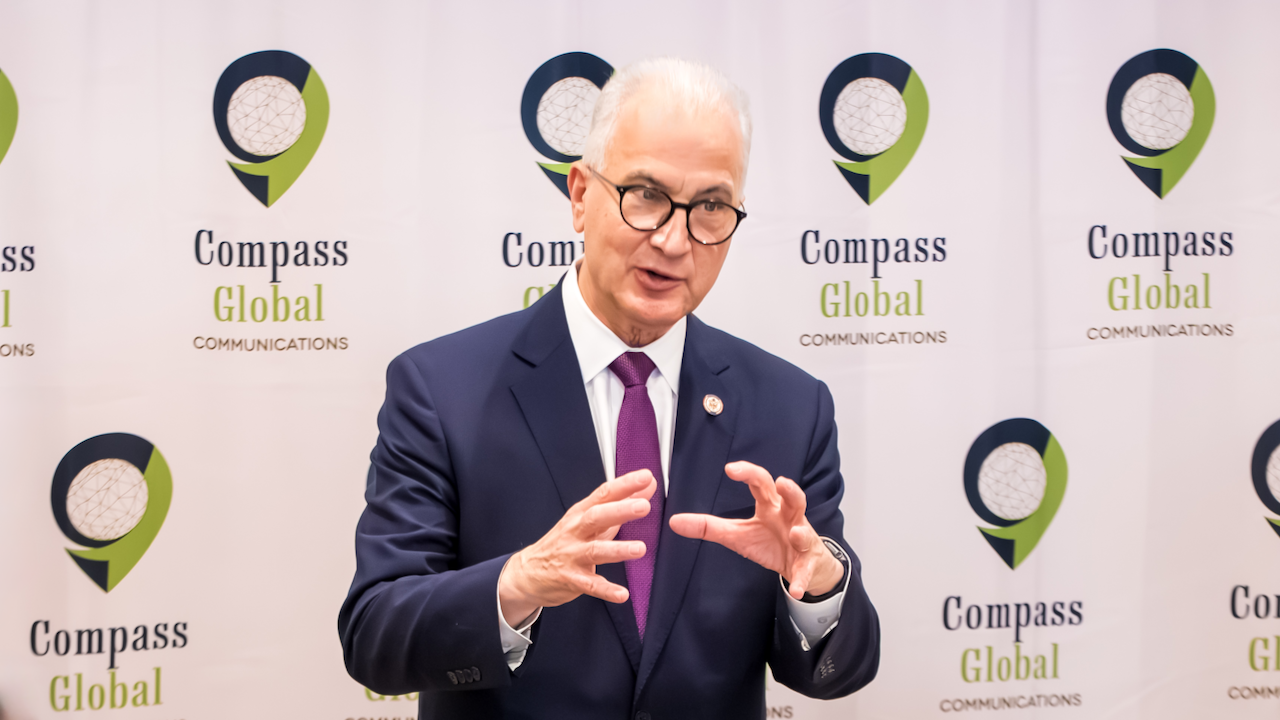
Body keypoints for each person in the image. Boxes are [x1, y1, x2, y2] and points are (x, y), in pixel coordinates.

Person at [339, 57, 879, 719]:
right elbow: (374, 635)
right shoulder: (441, 389)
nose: (675, 240)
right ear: (579, 195)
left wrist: (817, 588)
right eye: (647, 194)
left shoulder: (790, 408)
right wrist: (516, 586)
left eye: (710, 206)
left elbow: (836, 670)